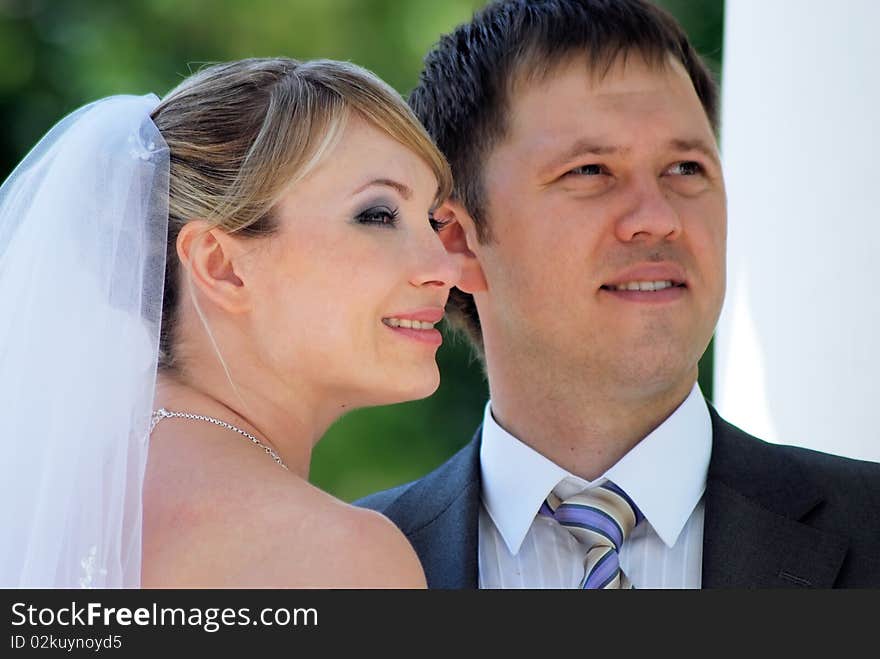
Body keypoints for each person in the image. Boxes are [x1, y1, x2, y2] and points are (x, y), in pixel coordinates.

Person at [357, 0, 880, 588]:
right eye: (590, 171)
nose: (658, 219)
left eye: (685, 168)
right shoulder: (323, 574)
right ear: (459, 243)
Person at [0, 57, 459, 588]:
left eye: (431, 220)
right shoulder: (336, 557)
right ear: (220, 266)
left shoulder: (44, 501)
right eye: (377, 215)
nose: (444, 270)